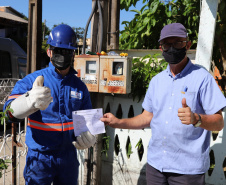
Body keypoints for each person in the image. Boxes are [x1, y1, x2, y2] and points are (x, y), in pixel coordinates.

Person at [101, 23, 226, 185]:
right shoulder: (157, 81)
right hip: (156, 166)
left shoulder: (202, 78)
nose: (172, 48)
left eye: (178, 43)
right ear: (161, 48)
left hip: (187, 171)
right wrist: (118, 122)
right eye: (167, 44)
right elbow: (147, 117)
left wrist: (197, 118)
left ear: (187, 45)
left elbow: (219, 122)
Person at [4, 24, 95, 185]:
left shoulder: (80, 87)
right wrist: (28, 101)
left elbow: (87, 121)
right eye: (58, 50)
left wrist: (91, 134)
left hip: (68, 157)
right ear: (49, 52)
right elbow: (8, 113)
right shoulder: (33, 80)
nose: (63, 55)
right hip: (40, 158)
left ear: (74, 53)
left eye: (67, 51)